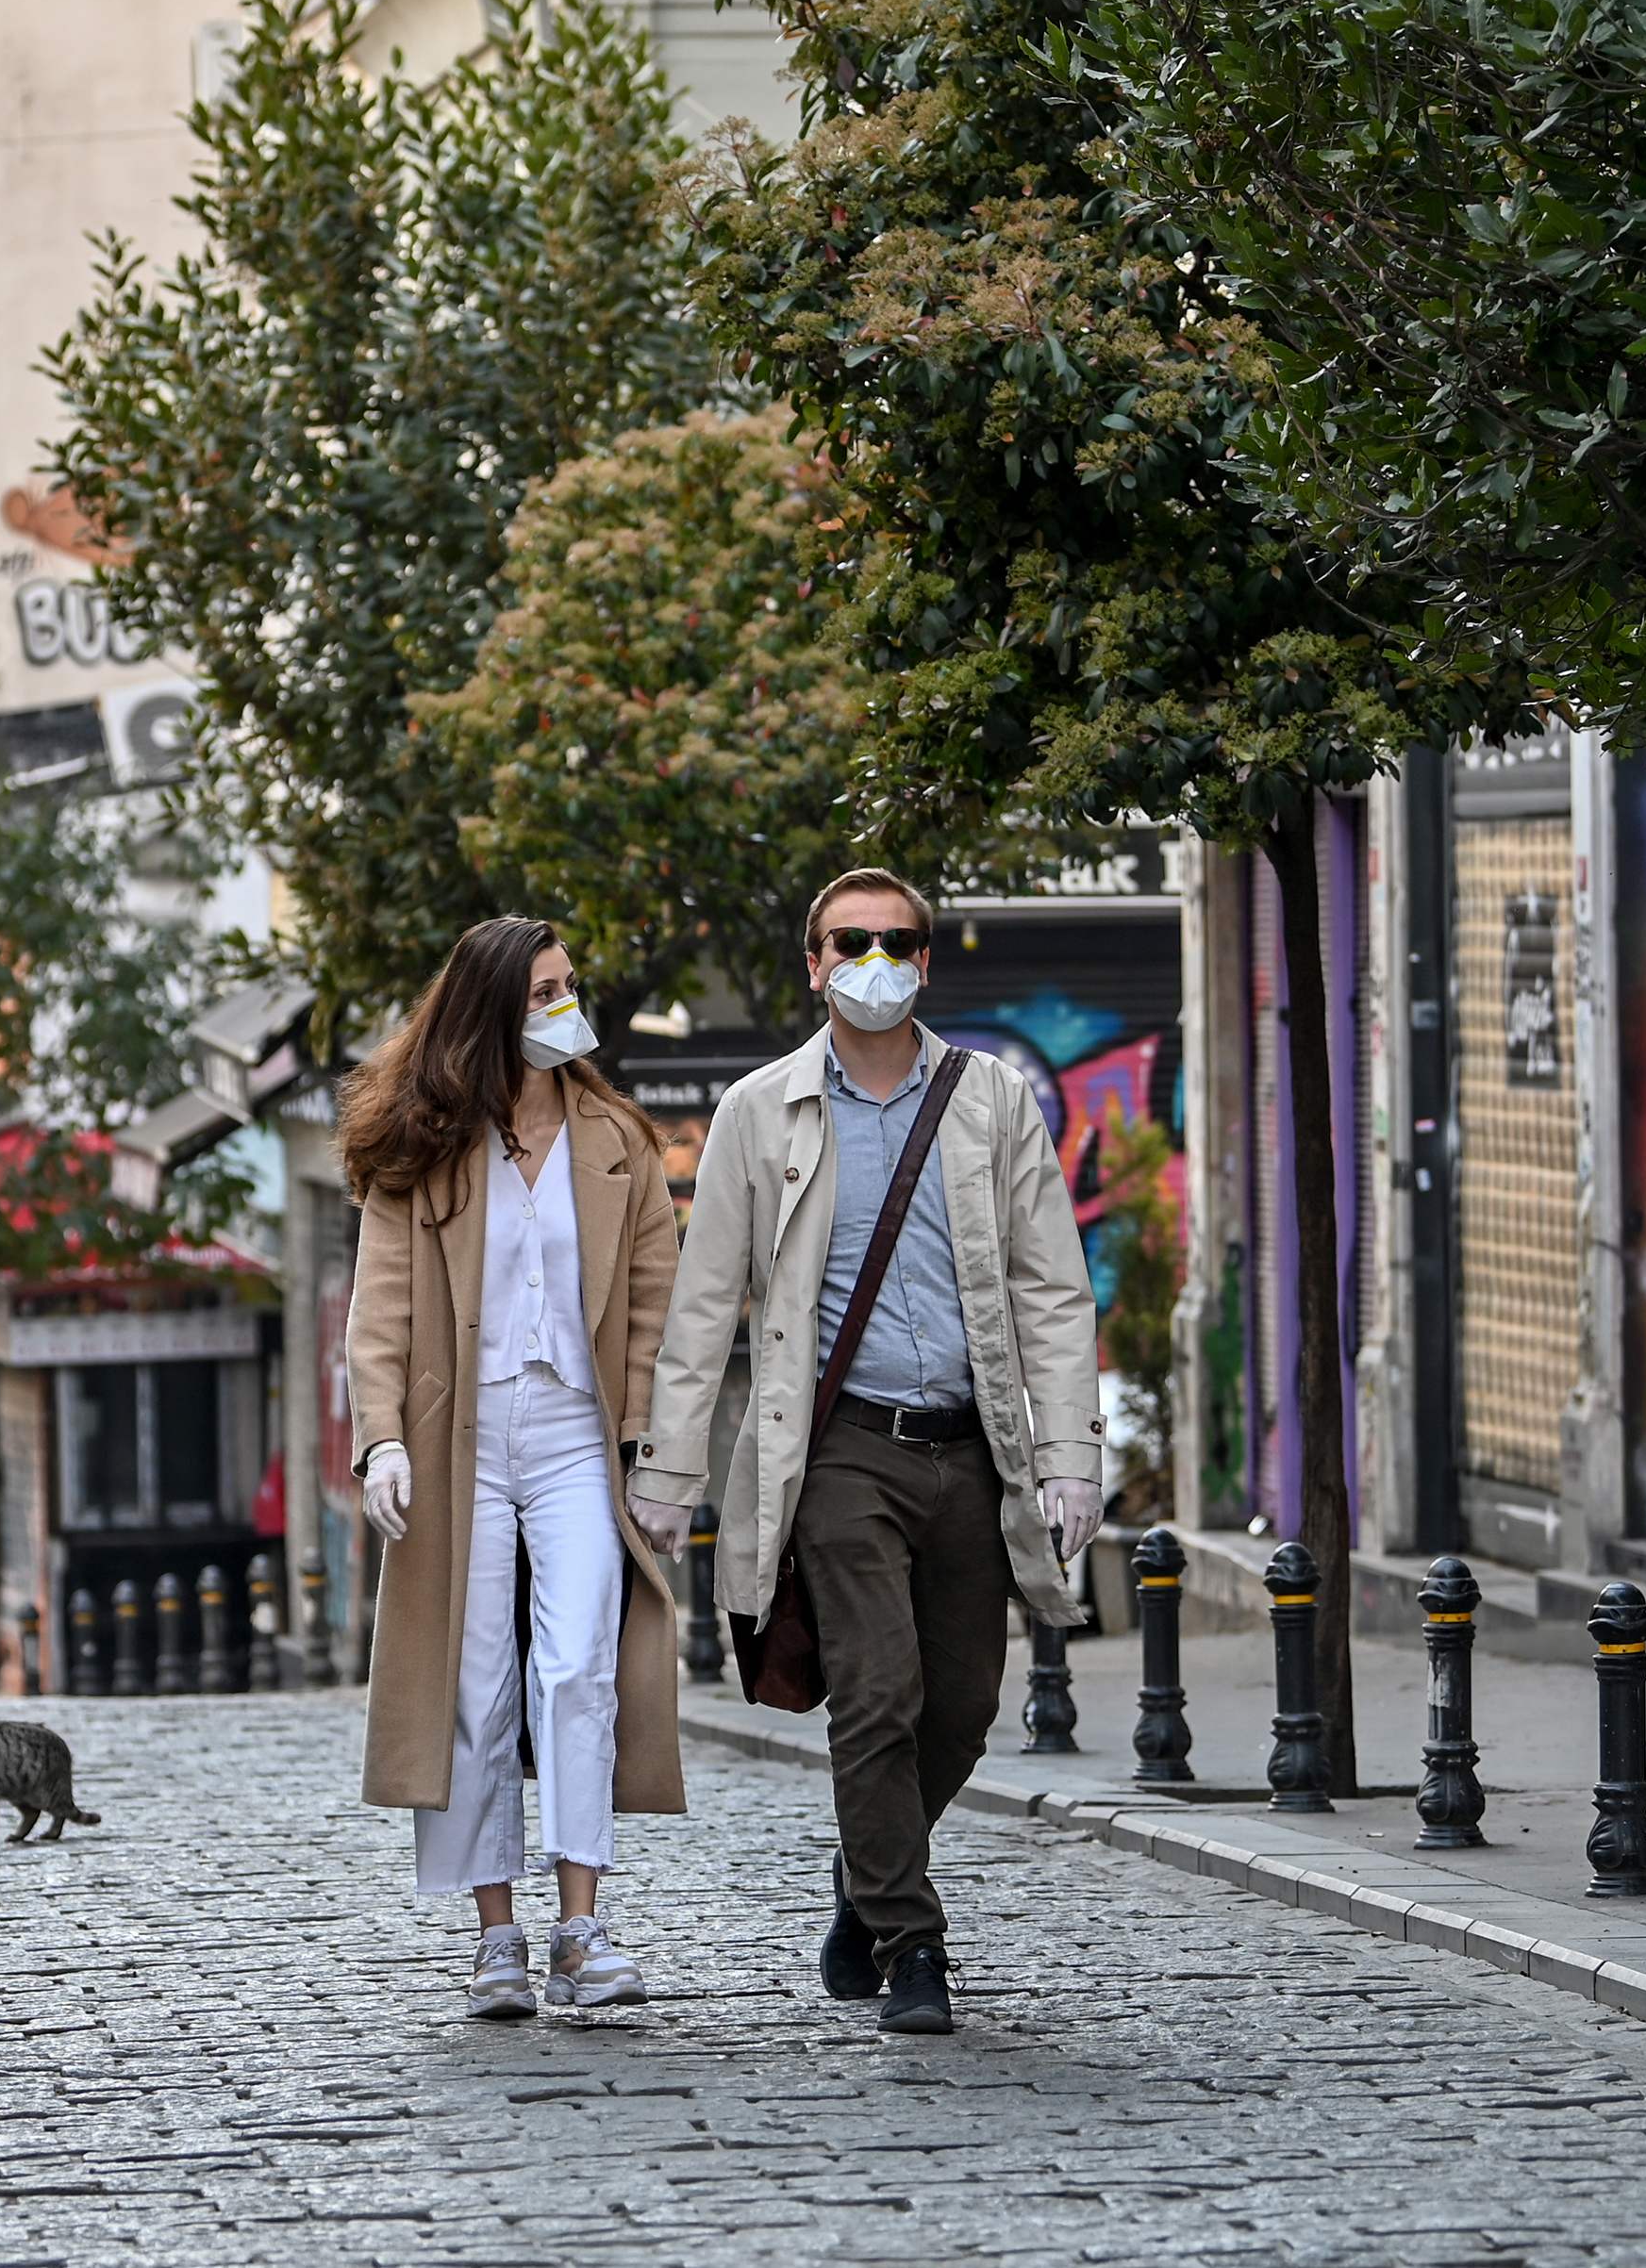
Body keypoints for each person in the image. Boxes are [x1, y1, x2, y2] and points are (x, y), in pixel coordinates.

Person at [628, 867, 1103, 2034]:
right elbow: (703, 1308)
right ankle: (911, 1939)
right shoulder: (759, 1110)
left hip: (972, 1452)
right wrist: (671, 1478)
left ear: (927, 962)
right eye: (853, 941)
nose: (876, 960)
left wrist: (1070, 1453)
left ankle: (864, 1880)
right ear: (815, 962)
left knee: (962, 1711)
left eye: (898, 942)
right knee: (876, 1699)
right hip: (838, 1451)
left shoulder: (989, 1099)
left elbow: (1051, 1288)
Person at [342, 917, 684, 2019]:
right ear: (492, 1008)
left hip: (577, 1433)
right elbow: (380, 1308)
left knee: (579, 1661)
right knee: (472, 1678)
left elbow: (653, 1312)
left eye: (568, 987)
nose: (564, 1006)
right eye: (544, 991)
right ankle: (498, 1938)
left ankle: (582, 1927)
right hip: (458, 1439)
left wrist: (659, 1456)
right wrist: (381, 1436)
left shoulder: (617, 1139)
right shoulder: (424, 1141)